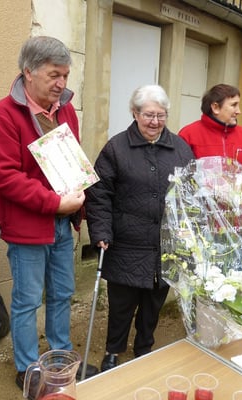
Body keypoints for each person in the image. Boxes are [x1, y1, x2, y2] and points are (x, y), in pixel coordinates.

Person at [0, 36, 86, 395]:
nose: (61, 83)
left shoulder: (65, 110)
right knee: (27, 300)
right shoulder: (3, 116)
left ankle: (59, 361)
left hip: (62, 222)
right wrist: (54, 203)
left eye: (65, 75)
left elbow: (72, 161)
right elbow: (6, 177)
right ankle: (28, 369)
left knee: (63, 293)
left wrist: (79, 195)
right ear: (28, 72)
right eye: (54, 75)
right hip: (28, 227)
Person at [85, 84, 194, 371]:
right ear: (134, 113)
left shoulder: (181, 149)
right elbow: (99, 193)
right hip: (126, 243)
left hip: (165, 245)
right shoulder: (116, 148)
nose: (155, 122)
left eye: (161, 115)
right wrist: (101, 232)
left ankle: (144, 346)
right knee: (122, 304)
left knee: (153, 303)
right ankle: (113, 349)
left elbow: (191, 193)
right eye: (148, 115)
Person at [178, 83, 242, 194]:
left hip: (239, 204)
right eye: (233, 105)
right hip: (200, 203)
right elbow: (180, 175)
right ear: (215, 107)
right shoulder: (188, 135)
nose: (238, 111)